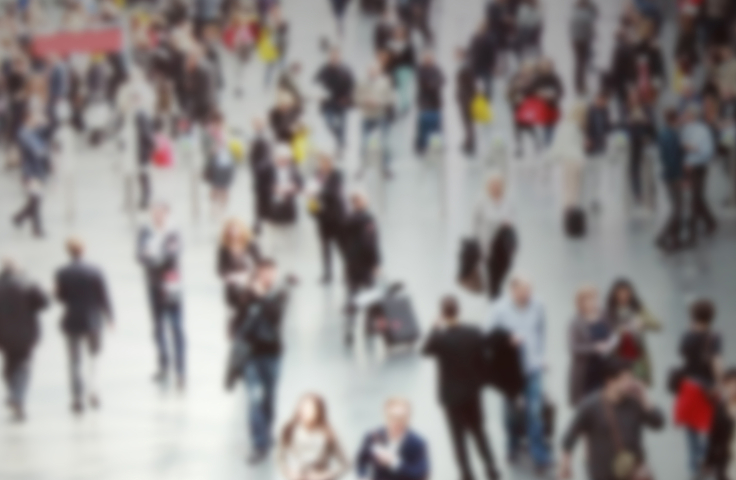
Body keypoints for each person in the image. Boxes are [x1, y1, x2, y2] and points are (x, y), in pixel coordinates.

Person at [423, 296, 499, 480]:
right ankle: (491, 468)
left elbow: (425, 350)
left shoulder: (440, 339)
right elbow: (485, 359)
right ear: (459, 310)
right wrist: (479, 382)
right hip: (472, 393)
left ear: (442, 313)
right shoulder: (474, 332)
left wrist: (434, 327)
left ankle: (466, 474)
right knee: (479, 432)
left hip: (451, 397)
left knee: (458, 439)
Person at [559, 358, 665, 480]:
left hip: (634, 471)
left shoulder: (634, 402)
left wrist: (644, 397)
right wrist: (565, 462)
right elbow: (571, 434)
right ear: (610, 381)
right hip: (603, 474)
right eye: (625, 379)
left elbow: (658, 423)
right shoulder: (591, 406)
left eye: (631, 378)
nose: (630, 382)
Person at [233, 259, 294, 464]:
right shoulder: (247, 293)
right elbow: (237, 317)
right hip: (251, 355)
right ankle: (259, 443)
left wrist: (262, 298)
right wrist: (247, 294)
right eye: (264, 272)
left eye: (271, 272)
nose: (268, 276)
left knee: (270, 398)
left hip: (272, 354)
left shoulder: (281, 293)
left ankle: (267, 432)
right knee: (254, 398)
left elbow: (276, 317)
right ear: (258, 273)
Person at [489, 276, 552, 473]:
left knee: (534, 411)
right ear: (513, 290)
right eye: (523, 291)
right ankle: (512, 446)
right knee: (511, 413)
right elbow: (488, 336)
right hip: (510, 372)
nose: (528, 295)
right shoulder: (499, 309)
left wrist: (540, 356)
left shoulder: (537, 305)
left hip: (532, 368)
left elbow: (541, 331)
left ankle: (539, 455)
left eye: (529, 291)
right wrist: (508, 339)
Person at [55, 237, 114, 414]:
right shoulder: (95, 271)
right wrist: (110, 317)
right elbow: (104, 296)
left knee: (74, 361)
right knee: (94, 357)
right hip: (92, 320)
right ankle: (93, 390)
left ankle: (76, 397)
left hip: (72, 319)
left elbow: (61, 298)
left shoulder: (62, 272)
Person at [137, 201, 186, 390]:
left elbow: (173, 254)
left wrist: (153, 255)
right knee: (157, 327)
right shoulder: (145, 231)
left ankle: (180, 370)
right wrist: (153, 256)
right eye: (154, 212)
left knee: (176, 327)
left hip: (172, 285)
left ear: (167, 213)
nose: (157, 216)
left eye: (161, 213)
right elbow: (139, 255)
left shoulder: (174, 231)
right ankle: (163, 365)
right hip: (153, 284)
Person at [675, 299, 724, 476]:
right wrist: (721, 384)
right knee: (713, 428)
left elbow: (682, 353)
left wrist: (691, 331)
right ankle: (708, 461)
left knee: (691, 431)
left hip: (689, 387)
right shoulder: (715, 337)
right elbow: (717, 363)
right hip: (708, 388)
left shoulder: (687, 336)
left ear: (693, 317)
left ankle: (694, 468)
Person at [0, 258, 48, 422]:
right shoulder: (28, 284)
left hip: (4, 335)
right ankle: (17, 397)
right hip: (26, 333)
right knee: (23, 366)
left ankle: (13, 393)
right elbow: (44, 303)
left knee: (9, 365)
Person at [278, 393, 350, 480]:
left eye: (309, 408)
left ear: (318, 411)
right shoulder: (290, 430)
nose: (305, 412)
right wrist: (289, 472)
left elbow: (346, 463)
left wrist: (326, 475)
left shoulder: (327, 434)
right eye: (302, 408)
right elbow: (279, 456)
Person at [356, 397, 430, 480]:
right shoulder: (373, 437)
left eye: (401, 417)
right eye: (392, 417)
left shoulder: (418, 443)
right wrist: (363, 476)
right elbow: (361, 461)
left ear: (408, 417)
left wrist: (394, 462)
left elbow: (421, 473)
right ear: (385, 416)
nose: (397, 421)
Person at [341, 191, 381, 344]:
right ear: (358, 202)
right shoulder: (367, 219)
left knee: (352, 296)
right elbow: (369, 243)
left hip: (351, 264)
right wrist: (375, 263)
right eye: (364, 199)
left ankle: (349, 328)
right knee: (371, 295)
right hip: (365, 265)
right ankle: (369, 327)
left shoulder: (348, 219)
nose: (367, 201)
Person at [605, 279, 660, 386]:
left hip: (638, 357)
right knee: (622, 388)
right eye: (620, 293)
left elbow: (657, 325)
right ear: (614, 294)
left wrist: (642, 322)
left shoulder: (638, 308)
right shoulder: (608, 312)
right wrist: (619, 331)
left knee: (641, 386)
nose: (623, 296)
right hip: (619, 358)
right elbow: (606, 336)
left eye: (626, 293)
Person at [568, 286, 617, 406]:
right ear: (580, 303)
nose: (591, 303)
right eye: (587, 300)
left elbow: (614, 334)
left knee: (609, 404)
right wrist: (594, 348)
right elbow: (573, 348)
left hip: (606, 369)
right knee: (589, 405)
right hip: (586, 371)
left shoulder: (604, 316)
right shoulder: (576, 322)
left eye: (593, 299)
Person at [473, 174, 516, 299]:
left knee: (504, 267)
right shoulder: (481, 201)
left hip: (504, 241)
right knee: (491, 271)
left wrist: (508, 222)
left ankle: (497, 288)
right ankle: (494, 295)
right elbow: (475, 221)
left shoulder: (508, 200)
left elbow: (513, 216)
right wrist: (476, 240)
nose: (495, 188)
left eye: (498, 185)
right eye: (493, 185)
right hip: (488, 241)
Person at [680, 105, 718, 246]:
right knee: (696, 196)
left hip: (699, 167)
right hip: (688, 167)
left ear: (692, 116)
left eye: (686, 115)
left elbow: (707, 152)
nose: (683, 118)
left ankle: (694, 227)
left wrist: (694, 151)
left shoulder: (703, 131)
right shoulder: (684, 130)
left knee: (696, 196)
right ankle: (710, 222)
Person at [12, 111, 50, 238]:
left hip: (37, 171)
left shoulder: (33, 132)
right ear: (27, 118)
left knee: (35, 200)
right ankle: (36, 229)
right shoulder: (23, 133)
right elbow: (37, 151)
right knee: (36, 200)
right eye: (34, 118)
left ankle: (19, 218)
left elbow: (47, 130)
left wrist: (43, 122)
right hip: (30, 173)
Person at [310, 154, 346, 284]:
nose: (323, 165)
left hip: (337, 218)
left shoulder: (338, 175)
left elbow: (333, 192)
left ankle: (347, 272)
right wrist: (312, 207)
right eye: (321, 162)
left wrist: (318, 191)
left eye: (326, 162)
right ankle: (327, 274)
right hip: (323, 218)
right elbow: (312, 191)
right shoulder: (317, 174)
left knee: (341, 246)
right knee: (325, 247)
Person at [356, 62, 395, 178]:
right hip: (367, 116)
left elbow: (390, 99)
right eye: (370, 70)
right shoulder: (361, 83)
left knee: (384, 144)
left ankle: (386, 168)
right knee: (363, 143)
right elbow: (356, 97)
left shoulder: (385, 82)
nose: (372, 72)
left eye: (375, 70)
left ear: (379, 71)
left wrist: (379, 102)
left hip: (380, 116)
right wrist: (365, 100)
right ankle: (362, 168)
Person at [655, 108, 685, 252]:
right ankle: (663, 236)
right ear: (675, 119)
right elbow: (673, 157)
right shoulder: (672, 135)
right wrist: (679, 176)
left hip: (667, 173)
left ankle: (674, 237)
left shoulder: (663, 134)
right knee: (677, 208)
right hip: (673, 175)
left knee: (676, 207)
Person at [316, 48, 355, 155]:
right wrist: (319, 93)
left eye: (336, 56)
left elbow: (352, 85)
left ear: (340, 57)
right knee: (329, 123)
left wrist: (347, 97)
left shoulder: (346, 69)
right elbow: (315, 81)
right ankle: (341, 140)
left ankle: (340, 147)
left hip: (342, 102)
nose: (334, 58)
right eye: (332, 56)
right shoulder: (324, 69)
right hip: (328, 102)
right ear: (329, 57)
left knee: (342, 125)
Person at [202, 112, 236, 220]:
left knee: (225, 188)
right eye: (217, 123)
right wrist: (216, 146)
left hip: (227, 163)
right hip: (215, 164)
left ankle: (223, 210)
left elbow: (232, 146)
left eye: (221, 122)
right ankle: (213, 209)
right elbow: (206, 150)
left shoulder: (225, 131)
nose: (219, 125)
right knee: (215, 188)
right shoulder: (208, 133)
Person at [704, 367, 736, 480]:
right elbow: (714, 436)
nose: (733, 388)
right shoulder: (720, 408)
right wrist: (708, 461)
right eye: (730, 384)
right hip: (726, 461)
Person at [414, 50, 445, 156]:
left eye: (430, 58)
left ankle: (437, 146)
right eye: (426, 58)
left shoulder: (436, 69)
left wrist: (433, 84)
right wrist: (432, 84)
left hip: (436, 103)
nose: (428, 60)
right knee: (423, 126)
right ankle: (422, 146)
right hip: (424, 103)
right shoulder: (420, 70)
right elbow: (422, 83)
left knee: (437, 126)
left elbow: (442, 80)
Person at [267, 144, 303, 226]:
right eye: (280, 159)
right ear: (275, 159)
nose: (283, 162)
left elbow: (301, 184)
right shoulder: (269, 169)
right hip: (274, 207)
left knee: (288, 220)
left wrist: (294, 187)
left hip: (289, 207)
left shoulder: (294, 170)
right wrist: (273, 188)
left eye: (285, 160)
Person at [569, 0, 598, 95]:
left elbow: (595, 16)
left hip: (580, 40)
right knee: (581, 64)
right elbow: (594, 16)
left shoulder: (577, 10)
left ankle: (580, 85)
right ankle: (579, 86)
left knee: (581, 64)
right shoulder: (583, 12)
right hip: (581, 40)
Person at [456, 48, 478, 156]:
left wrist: (469, 97)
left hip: (466, 98)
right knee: (466, 122)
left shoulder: (466, 67)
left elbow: (471, 84)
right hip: (464, 97)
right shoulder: (464, 66)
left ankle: (470, 144)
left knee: (468, 122)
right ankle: (468, 142)